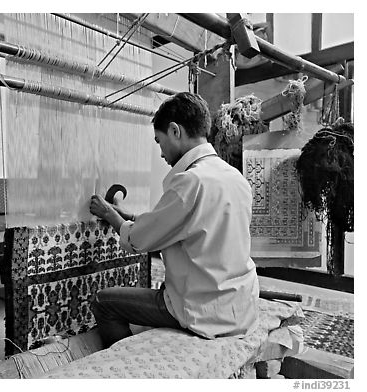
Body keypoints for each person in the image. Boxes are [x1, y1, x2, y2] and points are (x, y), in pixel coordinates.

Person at [89, 92, 259, 348]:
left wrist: (109, 214)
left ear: (175, 131)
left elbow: (139, 240)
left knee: (103, 302)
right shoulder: (234, 177)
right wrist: (131, 216)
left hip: (202, 308)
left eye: (159, 141)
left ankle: (127, 367)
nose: (160, 153)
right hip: (240, 304)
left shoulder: (190, 181)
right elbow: (189, 224)